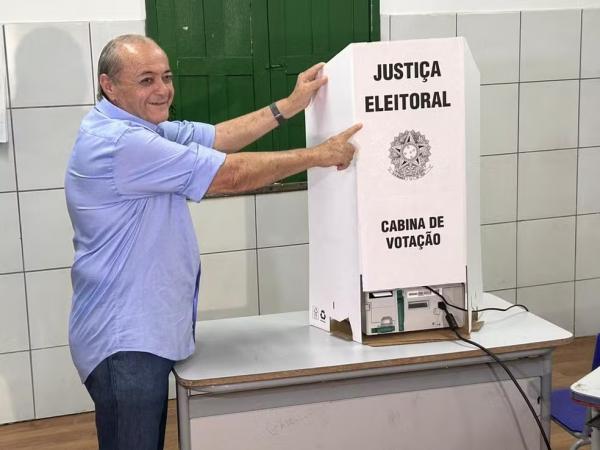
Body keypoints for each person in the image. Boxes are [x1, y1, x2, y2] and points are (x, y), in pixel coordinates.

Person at [64, 34, 360, 450]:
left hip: (140, 331)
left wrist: (290, 105)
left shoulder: (139, 128)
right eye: (146, 80)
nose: (163, 90)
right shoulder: (122, 143)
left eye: (166, 77)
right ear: (109, 85)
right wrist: (319, 155)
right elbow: (229, 174)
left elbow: (218, 137)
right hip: (124, 341)